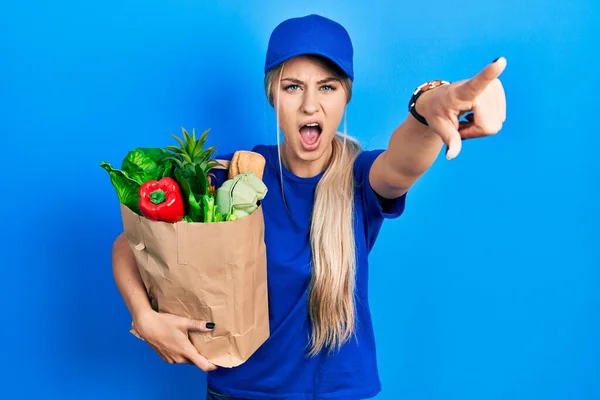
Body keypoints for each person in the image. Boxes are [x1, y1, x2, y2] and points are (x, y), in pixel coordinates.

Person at [111, 13, 507, 400]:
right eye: (293, 87)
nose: (310, 106)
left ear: (346, 96)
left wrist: (428, 109)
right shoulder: (230, 176)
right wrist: (144, 318)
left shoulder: (360, 176)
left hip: (339, 393)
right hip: (238, 391)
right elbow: (131, 244)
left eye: (328, 87)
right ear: (272, 95)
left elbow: (402, 164)